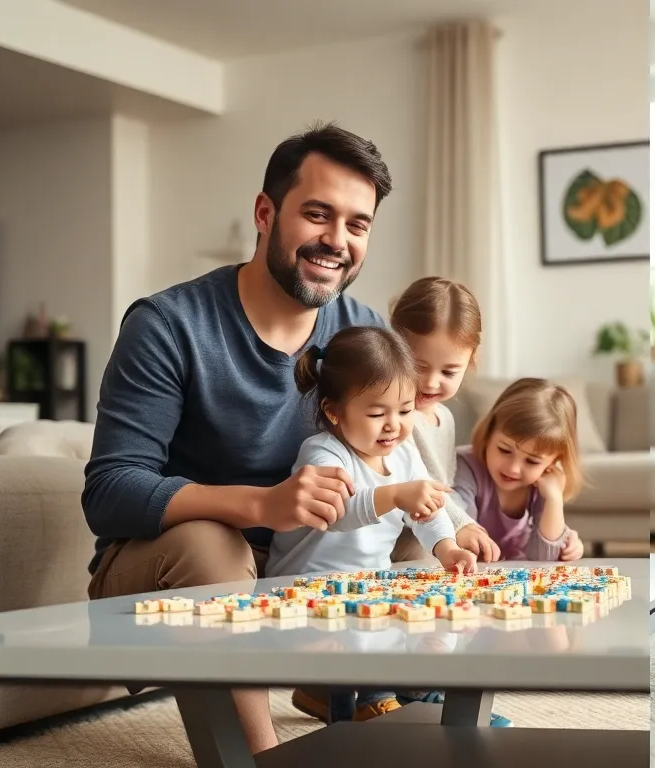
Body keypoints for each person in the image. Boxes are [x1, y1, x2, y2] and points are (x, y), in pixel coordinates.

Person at [79, 122, 487, 754]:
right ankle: (259, 756)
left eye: (358, 224)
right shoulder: (167, 325)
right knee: (212, 544)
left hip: (307, 561)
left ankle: (405, 708)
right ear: (266, 213)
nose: (337, 241)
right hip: (171, 569)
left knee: (421, 539)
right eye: (317, 215)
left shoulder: (364, 330)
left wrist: (451, 524)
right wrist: (261, 504)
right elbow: (108, 491)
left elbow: (397, 455)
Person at [268, 325, 476, 722]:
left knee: (433, 612)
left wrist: (447, 547)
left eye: (405, 410)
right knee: (374, 623)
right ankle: (371, 698)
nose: (394, 425)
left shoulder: (402, 455)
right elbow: (337, 513)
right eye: (378, 413)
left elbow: (428, 512)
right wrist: (396, 495)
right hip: (306, 584)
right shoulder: (323, 453)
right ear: (334, 411)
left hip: (367, 581)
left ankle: (403, 692)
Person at [388, 276, 584, 561]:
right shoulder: (397, 416)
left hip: (433, 528)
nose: (431, 383)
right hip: (411, 534)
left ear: (471, 362)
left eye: (448, 372)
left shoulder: (444, 417)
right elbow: (417, 485)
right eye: (419, 366)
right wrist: (461, 525)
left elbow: (445, 489)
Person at [455, 377, 585, 561]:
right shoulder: (465, 467)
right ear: (489, 432)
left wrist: (554, 500)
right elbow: (464, 540)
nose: (513, 468)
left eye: (532, 461)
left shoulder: (541, 484)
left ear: (553, 461)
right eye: (504, 450)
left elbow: (543, 559)